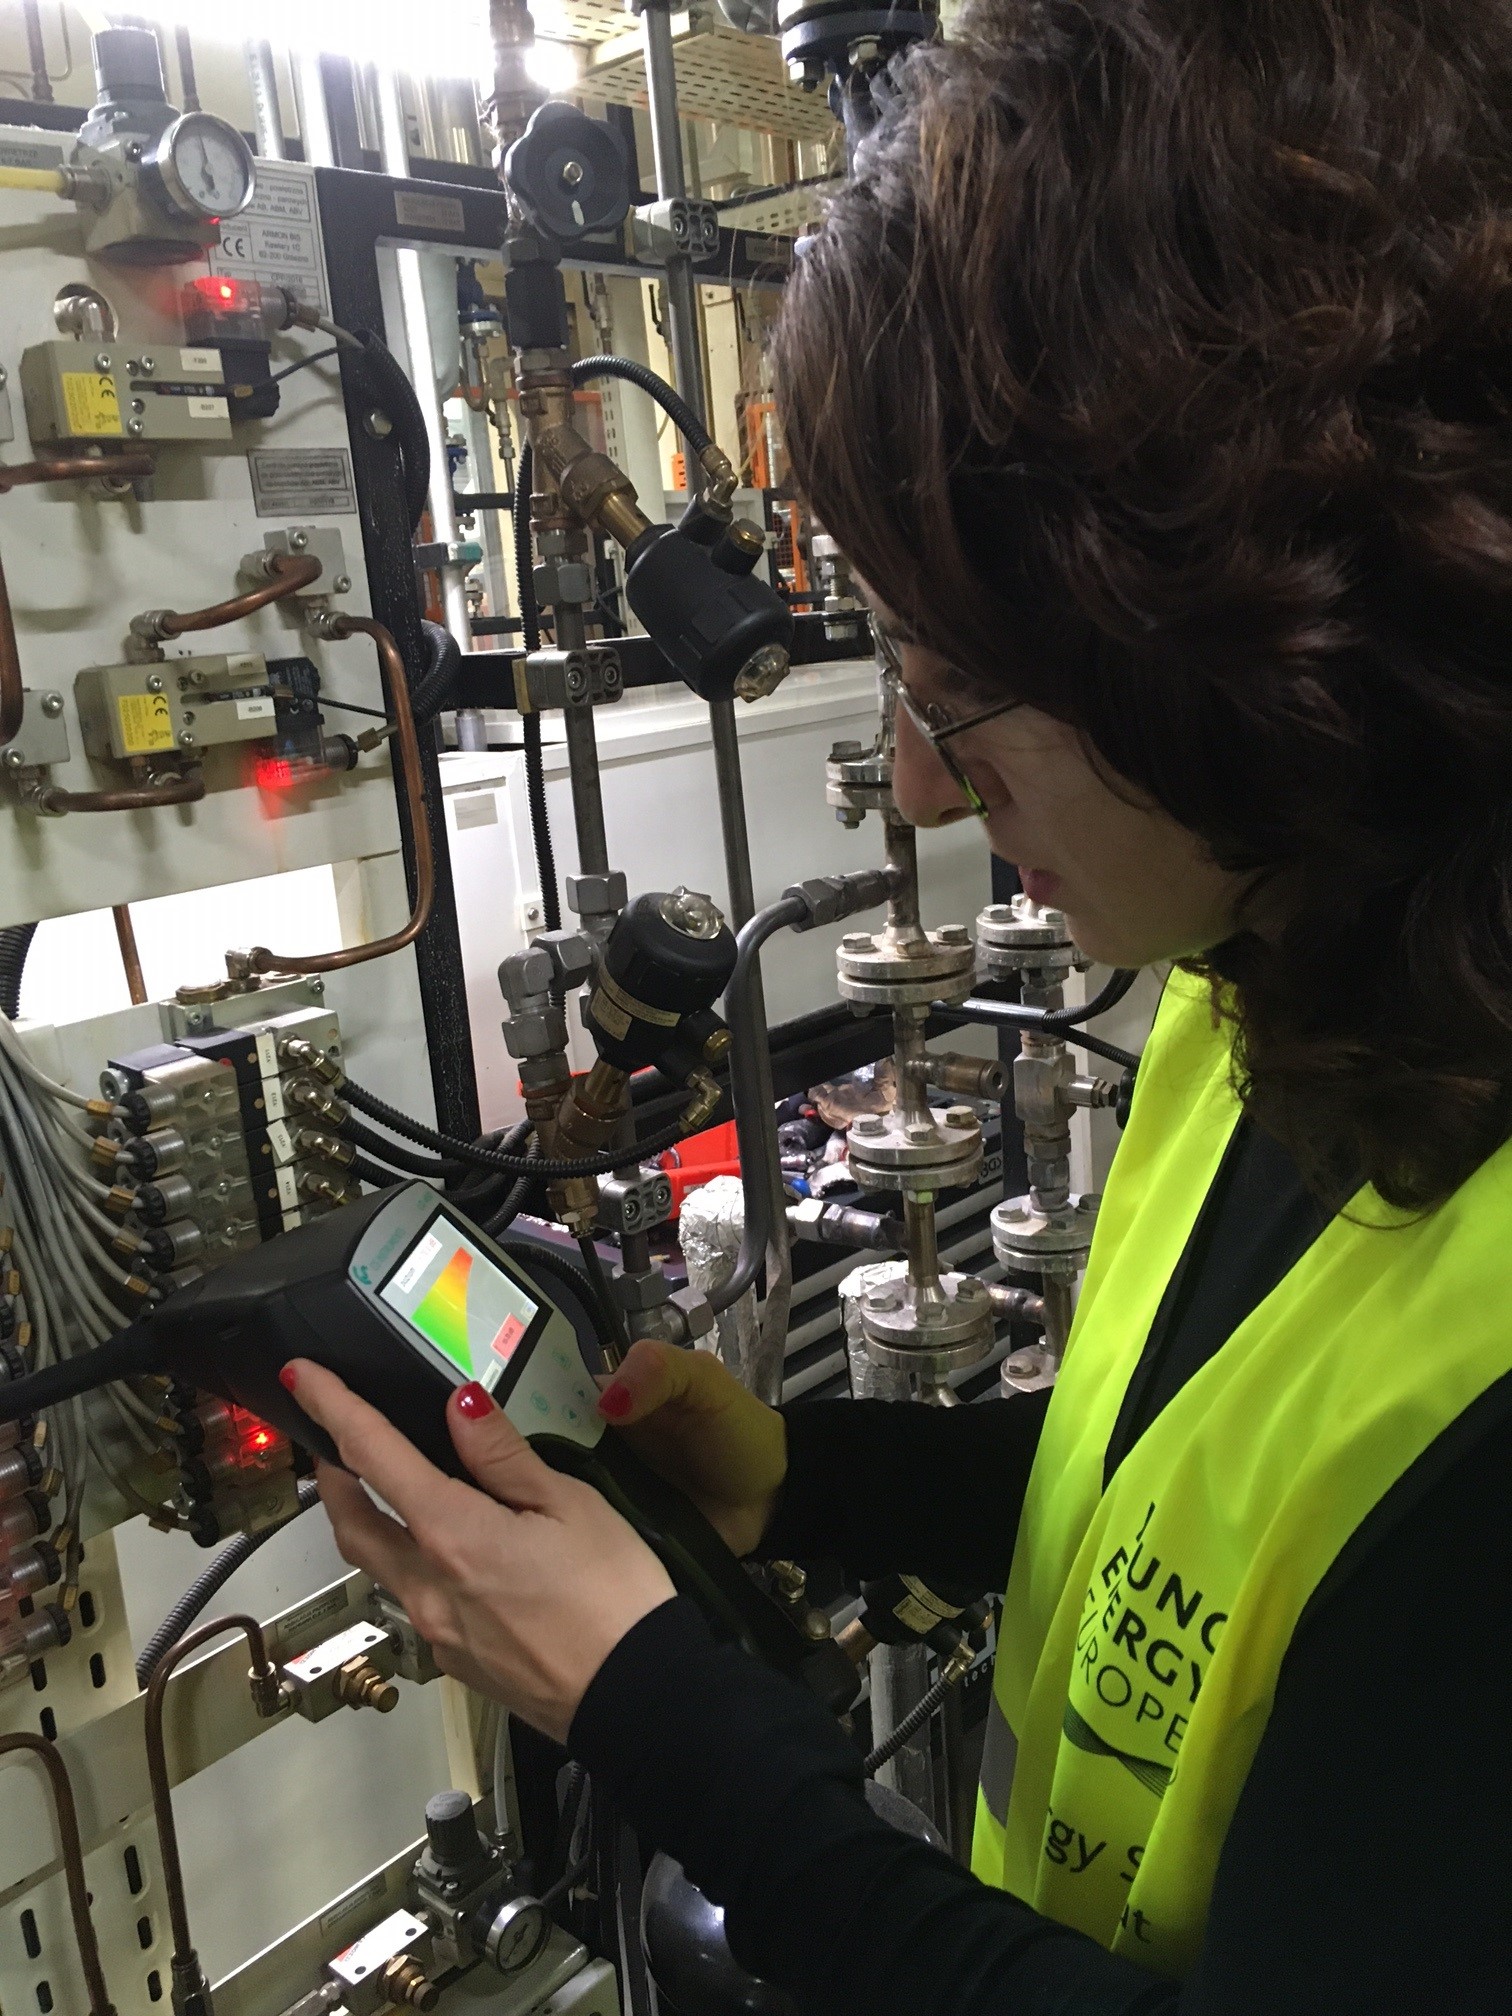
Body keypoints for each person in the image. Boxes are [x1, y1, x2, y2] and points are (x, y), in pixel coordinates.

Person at [283, 0, 1512, 2007]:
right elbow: (1185, 1532)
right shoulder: (1267, 984)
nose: (924, 784)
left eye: (957, 692)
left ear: (1251, 631)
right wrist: (811, 1485)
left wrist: (665, 1717)